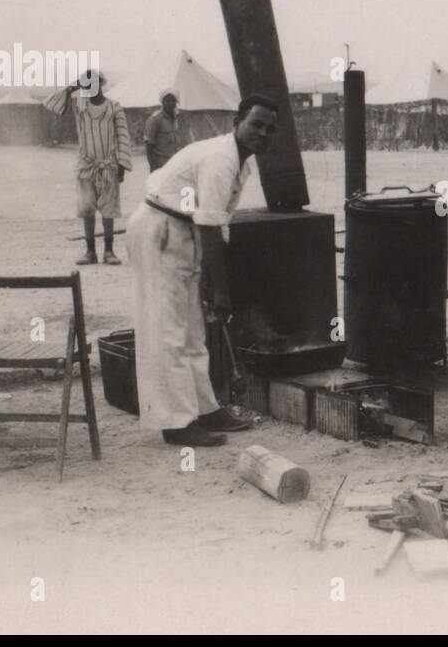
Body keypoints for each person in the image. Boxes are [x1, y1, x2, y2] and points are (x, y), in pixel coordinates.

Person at [125, 95, 277, 447]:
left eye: (270, 129)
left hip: (184, 231)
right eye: (256, 124)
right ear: (237, 120)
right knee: (167, 331)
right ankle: (176, 424)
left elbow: (214, 224)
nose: (263, 133)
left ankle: (206, 409)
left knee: (193, 329)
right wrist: (221, 292)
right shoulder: (221, 159)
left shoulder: (241, 163)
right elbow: (210, 227)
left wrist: (211, 283)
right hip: (160, 230)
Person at [43, 70, 132, 265]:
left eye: (94, 83)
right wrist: (71, 87)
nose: (90, 87)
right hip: (86, 165)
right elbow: (51, 104)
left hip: (108, 165)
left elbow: (123, 136)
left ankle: (109, 251)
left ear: (101, 84)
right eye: (86, 84)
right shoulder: (79, 106)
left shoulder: (114, 107)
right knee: (86, 207)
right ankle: (90, 251)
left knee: (109, 209)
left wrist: (122, 164)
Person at [143, 90, 189, 172]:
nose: (170, 103)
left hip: (175, 163)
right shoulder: (155, 119)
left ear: (176, 102)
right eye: (167, 101)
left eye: (173, 100)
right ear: (162, 102)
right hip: (161, 165)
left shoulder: (176, 118)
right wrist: (153, 166)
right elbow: (149, 145)